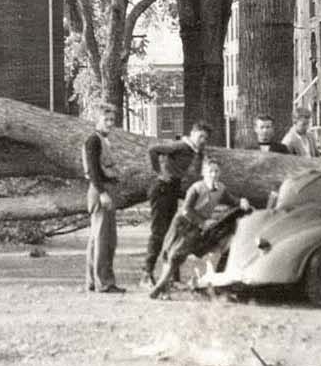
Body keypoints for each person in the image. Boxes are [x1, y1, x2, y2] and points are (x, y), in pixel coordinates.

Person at [151, 156, 251, 297]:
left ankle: (161, 287)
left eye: (216, 171)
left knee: (179, 256)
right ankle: (162, 287)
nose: (213, 174)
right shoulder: (197, 188)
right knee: (170, 254)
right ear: (203, 173)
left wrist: (241, 202)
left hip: (196, 228)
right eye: (210, 171)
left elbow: (232, 200)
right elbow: (186, 209)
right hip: (183, 223)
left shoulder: (221, 189)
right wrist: (202, 222)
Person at [141, 121, 210, 284]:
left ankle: (172, 276)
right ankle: (146, 273)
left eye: (205, 138)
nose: (202, 140)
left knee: (173, 231)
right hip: (162, 189)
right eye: (200, 136)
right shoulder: (180, 146)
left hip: (172, 191)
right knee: (159, 232)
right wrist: (159, 172)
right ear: (192, 134)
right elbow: (154, 150)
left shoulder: (194, 151)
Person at [81, 105, 124, 293]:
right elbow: (92, 170)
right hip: (100, 191)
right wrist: (103, 193)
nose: (110, 124)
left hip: (104, 190)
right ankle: (104, 282)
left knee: (97, 238)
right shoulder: (93, 141)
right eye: (106, 120)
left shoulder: (103, 141)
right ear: (97, 120)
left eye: (112, 120)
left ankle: (92, 281)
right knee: (103, 239)